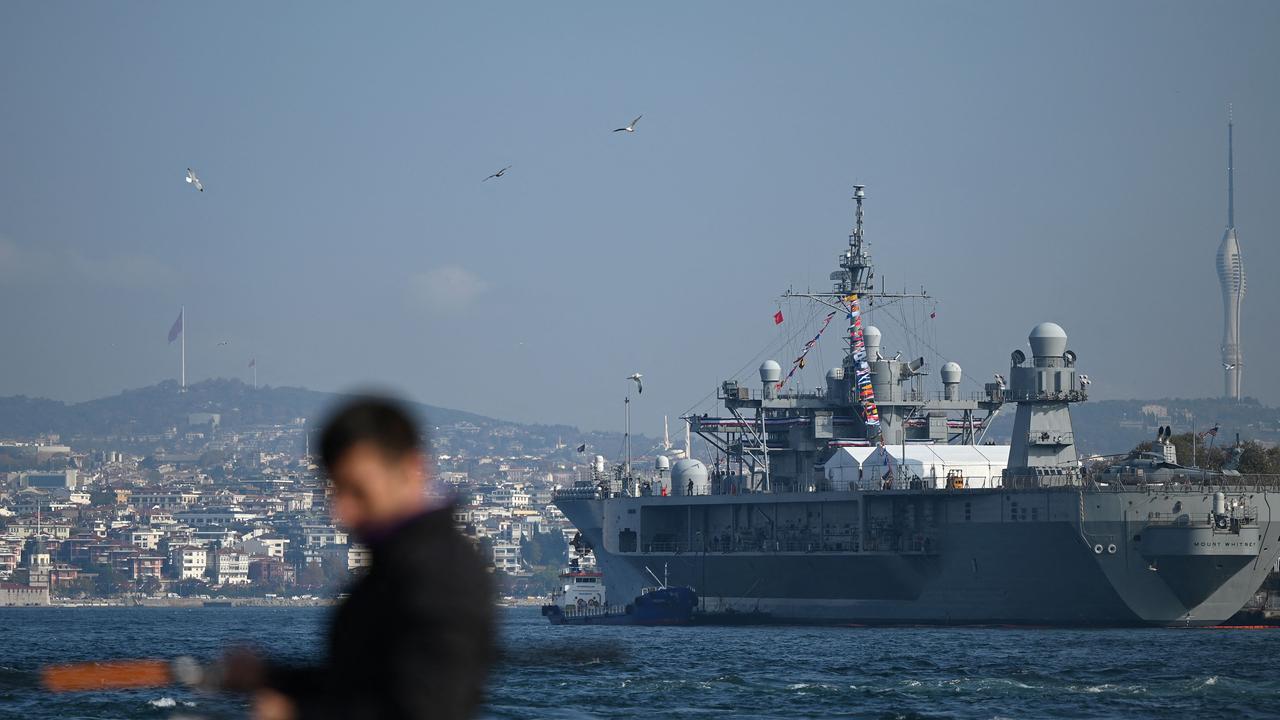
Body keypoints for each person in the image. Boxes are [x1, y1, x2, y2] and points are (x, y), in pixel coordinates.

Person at [222, 396, 495, 720]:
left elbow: (427, 707)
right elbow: (365, 683)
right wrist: (271, 678)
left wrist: (296, 713)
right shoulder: (404, 562)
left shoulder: (440, 573)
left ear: (411, 470)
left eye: (358, 490)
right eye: (335, 491)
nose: (342, 512)